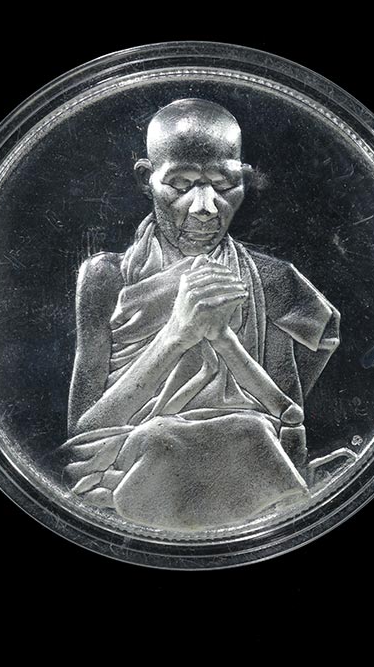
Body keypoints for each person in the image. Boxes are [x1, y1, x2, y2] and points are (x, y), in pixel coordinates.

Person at [62, 99, 340, 531]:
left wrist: (226, 344)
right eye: (182, 184)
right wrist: (177, 333)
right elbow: (84, 433)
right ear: (145, 179)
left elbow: (284, 420)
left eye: (223, 184)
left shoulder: (273, 281)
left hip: (245, 465)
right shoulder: (107, 277)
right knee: (165, 442)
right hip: (136, 463)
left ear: (243, 180)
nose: (205, 207)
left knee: (249, 436)